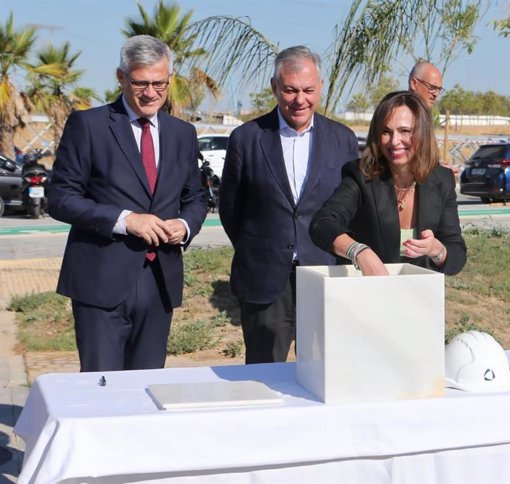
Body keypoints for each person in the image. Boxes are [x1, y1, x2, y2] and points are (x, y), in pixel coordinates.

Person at [47, 35, 208, 372]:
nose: (150, 93)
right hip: (101, 281)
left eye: (159, 84)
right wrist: (125, 220)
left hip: (159, 281)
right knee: (102, 388)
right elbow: (60, 198)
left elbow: (195, 197)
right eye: (140, 83)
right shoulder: (88, 126)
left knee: (146, 388)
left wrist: (185, 225)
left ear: (169, 80)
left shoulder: (183, 133)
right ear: (121, 78)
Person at [218, 45, 359, 364]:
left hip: (323, 272)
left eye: (308, 90)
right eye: (290, 90)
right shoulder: (247, 138)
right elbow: (231, 209)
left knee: (325, 369)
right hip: (264, 278)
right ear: (274, 87)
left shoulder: (343, 140)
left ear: (320, 87)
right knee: (263, 373)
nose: (300, 100)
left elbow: (351, 207)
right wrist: (259, 247)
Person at [309, 91, 467, 276]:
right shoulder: (361, 176)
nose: (394, 141)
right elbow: (322, 224)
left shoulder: (442, 179)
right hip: (364, 296)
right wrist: (358, 252)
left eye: (405, 131)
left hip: (418, 297)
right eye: (386, 132)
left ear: (422, 132)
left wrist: (437, 250)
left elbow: (456, 255)